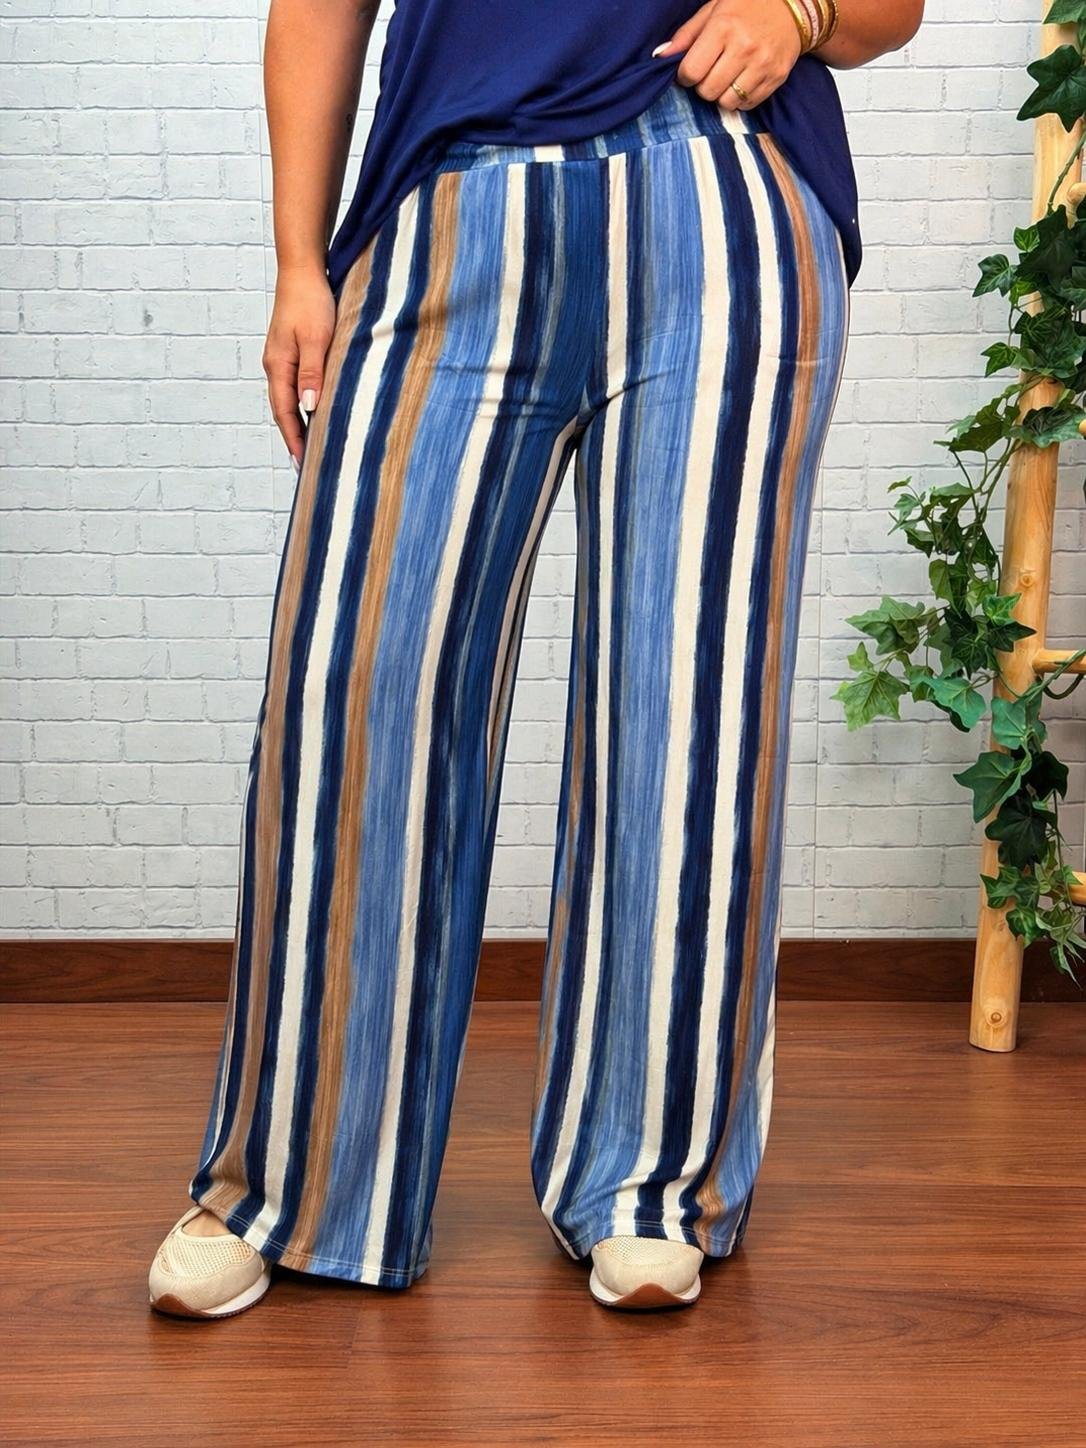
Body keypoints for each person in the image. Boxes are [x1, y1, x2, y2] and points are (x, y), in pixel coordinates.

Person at [148, 0, 924, 1319]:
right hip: (454, 203)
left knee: (687, 705)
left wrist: (798, 11)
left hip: (722, 194)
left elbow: (887, 9)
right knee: (357, 694)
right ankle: (287, 1186)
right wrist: (297, 261)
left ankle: (649, 1188)